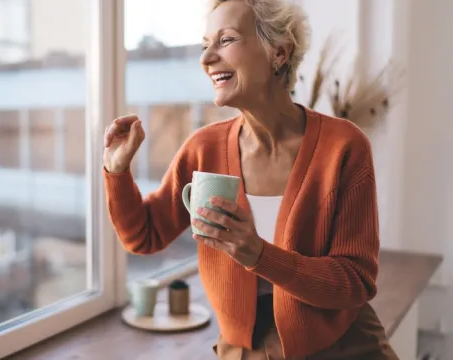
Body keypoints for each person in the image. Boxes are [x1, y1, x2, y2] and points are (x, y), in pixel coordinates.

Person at [102, 0, 398, 359]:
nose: (206, 57)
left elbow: (355, 282)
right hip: (247, 351)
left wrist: (259, 254)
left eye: (225, 40)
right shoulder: (203, 148)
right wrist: (117, 171)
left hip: (345, 347)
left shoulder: (344, 147)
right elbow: (144, 235)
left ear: (278, 52)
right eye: (204, 45)